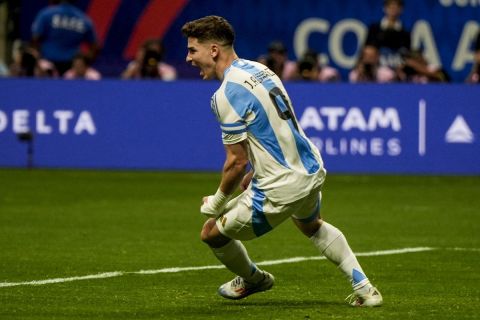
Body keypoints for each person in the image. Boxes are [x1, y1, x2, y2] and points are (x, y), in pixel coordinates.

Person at [181, 15, 383, 307]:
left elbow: (235, 163)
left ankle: (254, 279)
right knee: (311, 224)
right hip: (310, 166)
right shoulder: (260, 69)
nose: (188, 58)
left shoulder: (224, 95)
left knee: (211, 233)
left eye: (192, 50)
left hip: (280, 185)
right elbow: (272, 128)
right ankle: (365, 288)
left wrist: (217, 201)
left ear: (213, 50)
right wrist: (257, 170)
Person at [31, 0, 99, 75]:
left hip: (49, 64)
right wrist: (85, 63)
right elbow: (95, 47)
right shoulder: (84, 19)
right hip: (72, 66)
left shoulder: (46, 14)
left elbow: (35, 38)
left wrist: (38, 60)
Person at [365, 0, 411, 70]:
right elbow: (367, 48)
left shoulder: (405, 33)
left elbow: (406, 52)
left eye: (396, 8)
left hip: (396, 63)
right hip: (376, 63)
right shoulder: (374, 28)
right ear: (384, 8)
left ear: (401, 10)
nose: (393, 10)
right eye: (390, 7)